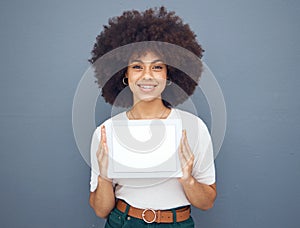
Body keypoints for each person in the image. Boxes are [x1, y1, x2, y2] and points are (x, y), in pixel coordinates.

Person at [89, 7, 217, 227]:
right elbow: (101, 211)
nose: (147, 75)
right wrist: (104, 175)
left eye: (157, 67)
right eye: (137, 66)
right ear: (124, 74)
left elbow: (206, 203)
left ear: (169, 75)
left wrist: (187, 178)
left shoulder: (193, 128)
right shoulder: (106, 132)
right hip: (123, 222)